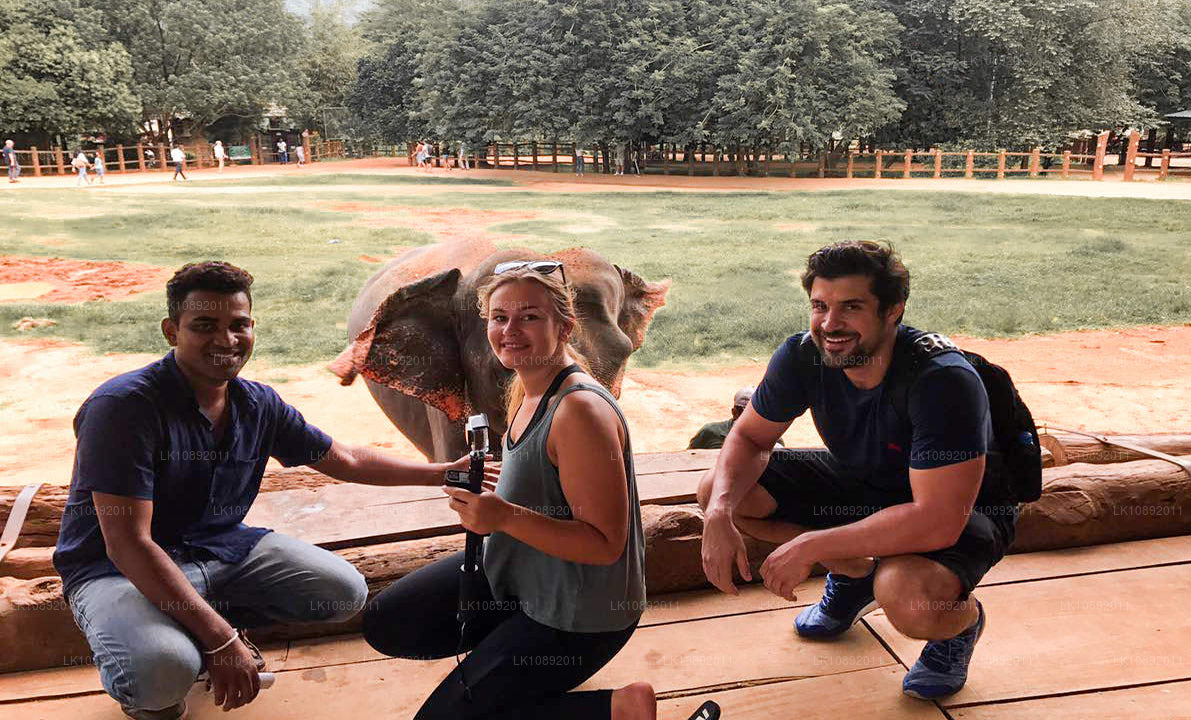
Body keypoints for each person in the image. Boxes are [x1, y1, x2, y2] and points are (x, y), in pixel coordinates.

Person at [53, 262, 461, 720]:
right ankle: (151, 680)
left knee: (342, 591)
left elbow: (345, 459)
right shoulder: (123, 408)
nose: (226, 340)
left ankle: (193, 624)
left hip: (217, 550)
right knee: (160, 675)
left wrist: (445, 473)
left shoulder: (256, 403)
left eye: (239, 325)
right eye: (204, 326)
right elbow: (128, 544)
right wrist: (221, 640)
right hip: (117, 571)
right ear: (171, 331)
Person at [697, 240, 1017, 701]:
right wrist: (718, 512)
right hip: (868, 483)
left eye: (851, 307)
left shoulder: (942, 381)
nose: (830, 324)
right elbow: (749, 439)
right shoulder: (803, 355)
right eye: (820, 306)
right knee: (720, 488)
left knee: (908, 597)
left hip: (963, 511)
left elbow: (937, 520)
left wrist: (812, 545)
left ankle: (959, 625)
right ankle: (854, 576)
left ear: (893, 311)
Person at [362, 260, 660, 720]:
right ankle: (505, 673)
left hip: (578, 614)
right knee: (388, 621)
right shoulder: (529, 387)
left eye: (530, 316)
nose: (510, 330)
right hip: (523, 575)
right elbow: (549, 477)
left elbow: (605, 544)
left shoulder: (579, 411)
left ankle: (617, 709)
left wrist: (502, 516)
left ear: (565, 327)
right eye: (499, 317)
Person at [688, 387, 785, 451]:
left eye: (751, 413)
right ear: (734, 412)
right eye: (742, 412)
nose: (747, 417)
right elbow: (689, 457)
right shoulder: (709, 432)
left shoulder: (771, 438)